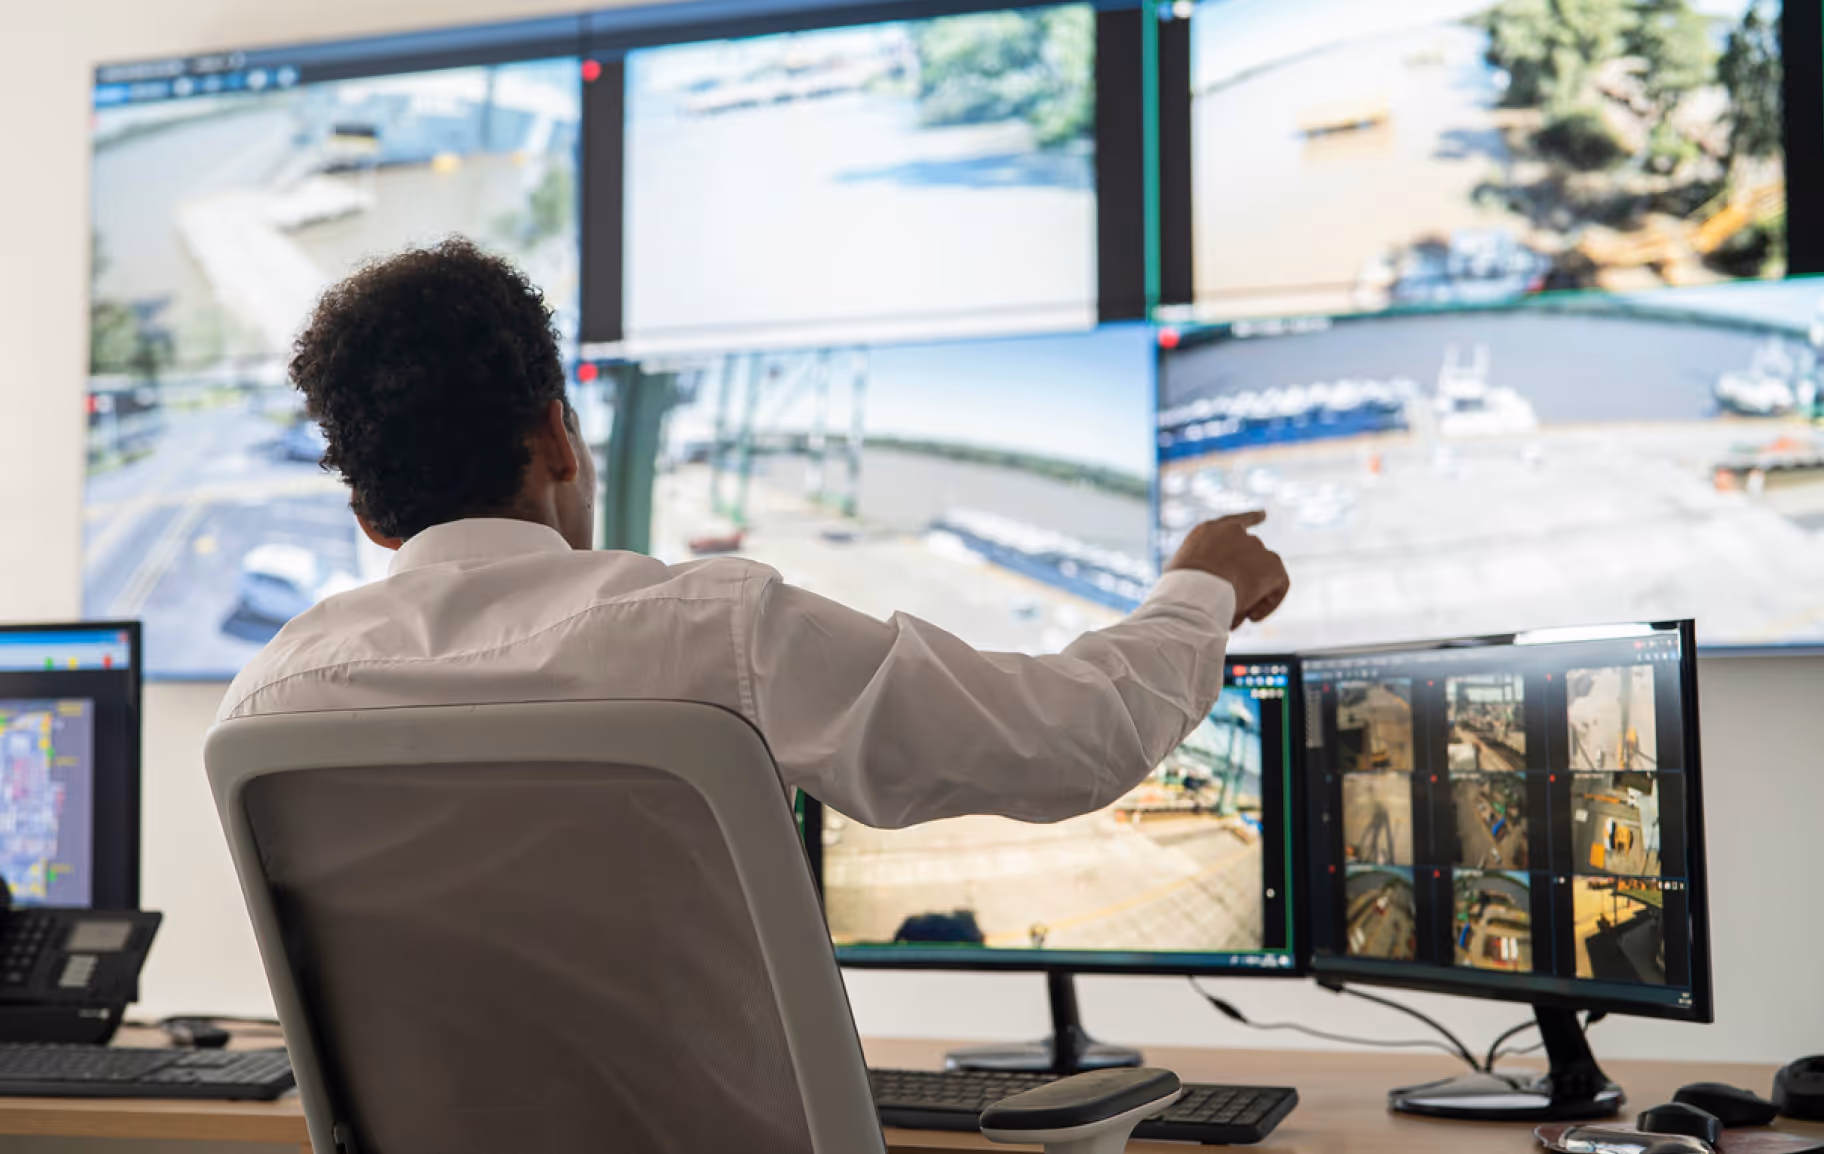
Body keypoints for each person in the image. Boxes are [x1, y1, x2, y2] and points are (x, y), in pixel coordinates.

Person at [218, 237, 1290, 830]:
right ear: (556, 439)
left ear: (367, 512)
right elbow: (1070, 741)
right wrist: (1197, 587)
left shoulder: (269, 701)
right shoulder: (705, 628)